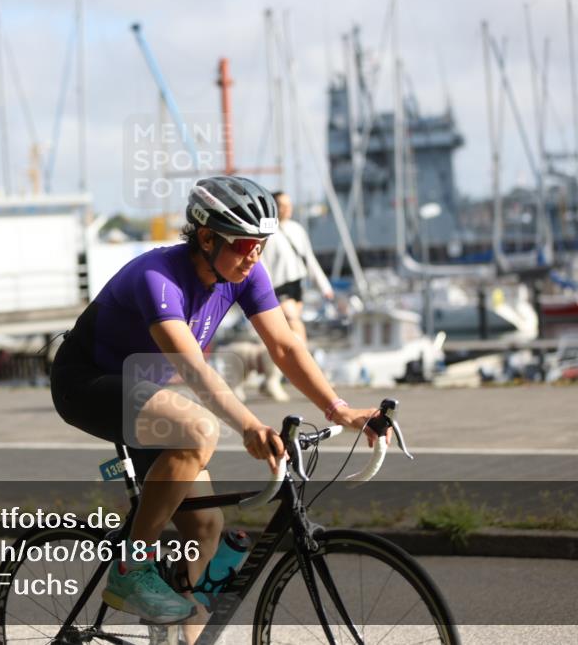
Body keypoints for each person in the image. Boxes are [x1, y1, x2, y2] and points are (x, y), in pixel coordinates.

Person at [50, 176, 384, 632]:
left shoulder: (244, 273)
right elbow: (194, 369)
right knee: (199, 430)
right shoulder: (157, 277)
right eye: (244, 244)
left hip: (144, 390)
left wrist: (338, 408)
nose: (254, 256)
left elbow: (284, 346)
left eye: (261, 246)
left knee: (207, 528)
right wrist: (250, 426)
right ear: (207, 237)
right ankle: (130, 568)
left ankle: (177, 637)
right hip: (85, 383)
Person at [261, 190, 335, 343]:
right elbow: (262, 263)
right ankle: (304, 352)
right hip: (278, 286)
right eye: (282, 205)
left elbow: (309, 259)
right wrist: (266, 290)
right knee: (293, 320)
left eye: (289, 205)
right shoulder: (266, 233)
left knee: (291, 325)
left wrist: (324, 287)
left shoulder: (297, 229)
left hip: (297, 284)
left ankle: (297, 352)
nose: (287, 208)